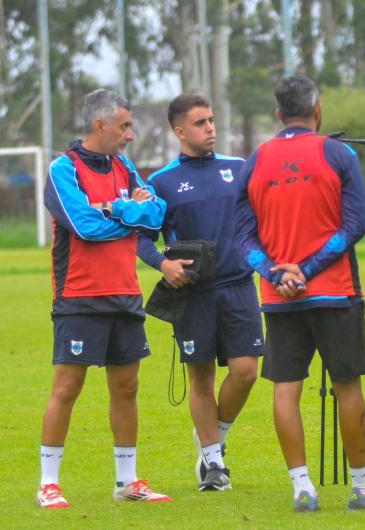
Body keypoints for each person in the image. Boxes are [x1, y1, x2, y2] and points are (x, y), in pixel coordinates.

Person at [234, 75, 365, 513]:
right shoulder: (338, 153)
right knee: (347, 385)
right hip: (335, 293)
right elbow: (355, 225)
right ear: (317, 111)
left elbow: (243, 239)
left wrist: (277, 273)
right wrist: (308, 269)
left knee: (286, 389)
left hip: (279, 297)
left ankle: (303, 488)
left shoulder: (255, 160)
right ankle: (362, 488)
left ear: (278, 114)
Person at [37, 89, 169, 508]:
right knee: (68, 387)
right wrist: (126, 211)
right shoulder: (63, 169)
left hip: (126, 294)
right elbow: (84, 226)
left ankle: (126, 481)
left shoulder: (126, 166)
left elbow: (157, 212)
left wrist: (117, 210)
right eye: (125, 126)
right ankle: (48, 484)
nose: (130, 134)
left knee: (127, 387)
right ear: (101, 124)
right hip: (79, 296)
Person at [137, 94, 263, 492]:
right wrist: (163, 265)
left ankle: (213, 440)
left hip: (240, 286)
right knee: (202, 378)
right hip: (194, 294)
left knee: (246, 372)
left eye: (211, 120)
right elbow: (140, 240)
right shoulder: (160, 183)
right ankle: (214, 465)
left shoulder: (239, 169)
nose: (210, 128)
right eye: (200, 123)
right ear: (179, 131)